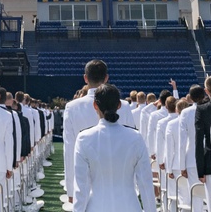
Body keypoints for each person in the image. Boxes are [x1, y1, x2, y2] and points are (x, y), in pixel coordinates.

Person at [72, 84, 155, 212]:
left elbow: (81, 188)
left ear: (95, 105)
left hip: (97, 207)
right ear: (119, 105)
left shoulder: (84, 138)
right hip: (129, 206)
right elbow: (145, 184)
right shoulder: (135, 137)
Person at [63, 59, 113, 204]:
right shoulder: (123, 106)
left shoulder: (72, 107)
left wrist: (71, 189)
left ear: (85, 78)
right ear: (106, 78)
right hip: (115, 181)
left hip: (83, 178)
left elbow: (70, 149)